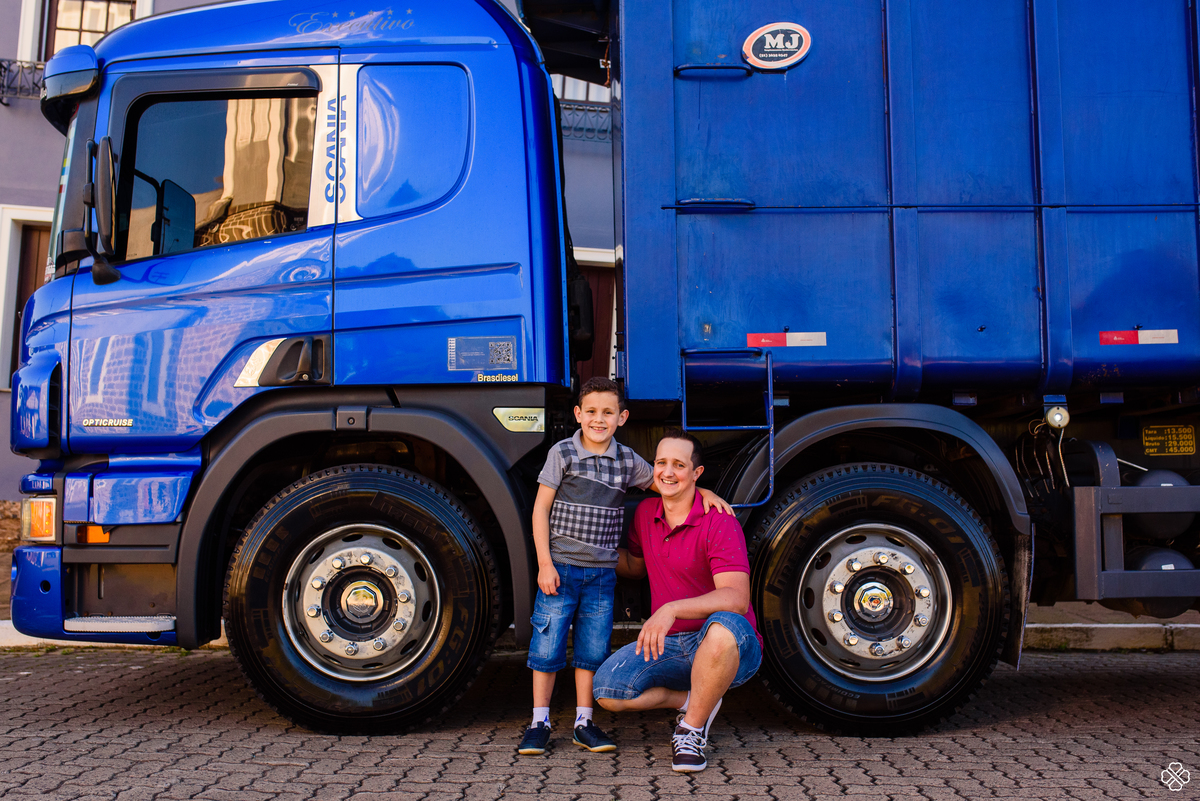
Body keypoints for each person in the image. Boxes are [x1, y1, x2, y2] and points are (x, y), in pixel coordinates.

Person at [519, 380, 732, 756]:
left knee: (591, 649)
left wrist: (704, 492)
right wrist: (544, 564)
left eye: (608, 412)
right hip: (561, 569)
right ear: (578, 414)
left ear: (622, 417)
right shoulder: (562, 453)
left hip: (602, 575)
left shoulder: (627, 460)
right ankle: (539, 722)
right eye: (591, 411)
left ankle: (584, 722)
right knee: (547, 647)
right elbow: (540, 510)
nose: (598, 420)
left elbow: (668, 483)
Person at [592, 429, 762, 773]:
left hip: (726, 647)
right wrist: (585, 551)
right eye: (661, 463)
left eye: (679, 465)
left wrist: (671, 609)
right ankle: (694, 700)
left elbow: (737, 598)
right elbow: (635, 567)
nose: (667, 472)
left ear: (697, 473)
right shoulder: (645, 513)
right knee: (607, 690)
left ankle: (691, 730)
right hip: (673, 645)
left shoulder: (719, 520)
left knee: (723, 626)